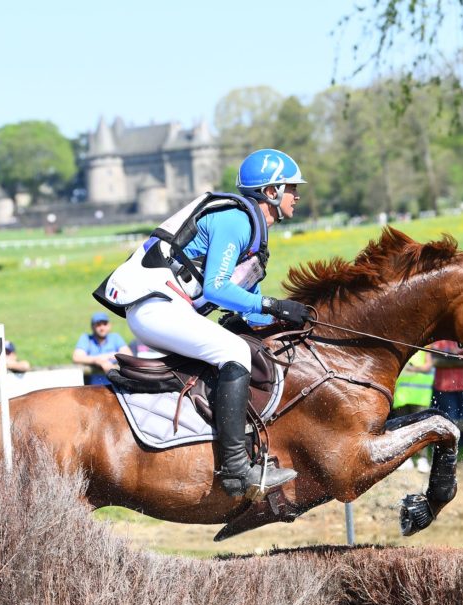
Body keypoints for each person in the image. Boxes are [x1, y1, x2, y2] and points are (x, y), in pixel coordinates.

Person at [93, 148, 312, 497]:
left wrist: (293, 318)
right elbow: (218, 288)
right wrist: (273, 304)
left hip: (165, 308)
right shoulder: (236, 221)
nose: (297, 195)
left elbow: (246, 309)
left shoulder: (252, 232)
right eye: (291, 187)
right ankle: (237, 470)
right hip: (155, 306)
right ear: (271, 192)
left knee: (239, 346)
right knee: (236, 352)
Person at [390, 350, 434, 472]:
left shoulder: (425, 348)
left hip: (420, 396)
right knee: (402, 427)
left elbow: (428, 365)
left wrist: (414, 369)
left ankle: (422, 458)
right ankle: (404, 458)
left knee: (422, 427)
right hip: (401, 395)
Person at [429, 340, 463, 446]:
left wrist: (454, 352)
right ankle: (452, 444)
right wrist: (460, 353)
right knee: (450, 415)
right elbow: (434, 352)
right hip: (445, 384)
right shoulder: (440, 339)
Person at [72, 312, 130, 386]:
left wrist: (111, 356)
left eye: (105, 324)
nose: (102, 328)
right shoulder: (86, 338)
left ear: (109, 325)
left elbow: (128, 354)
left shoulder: (115, 337)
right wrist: (98, 360)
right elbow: (77, 357)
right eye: (98, 325)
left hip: (116, 386)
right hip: (93, 388)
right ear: (92, 327)